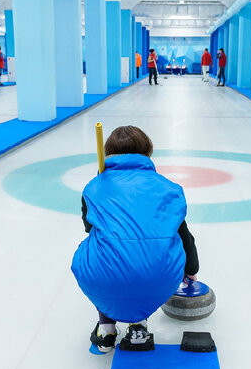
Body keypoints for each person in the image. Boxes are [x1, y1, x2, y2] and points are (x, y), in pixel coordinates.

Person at [72, 126, 200, 353]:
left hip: (103, 279)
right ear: (147, 153)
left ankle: (106, 329)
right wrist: (191, 269)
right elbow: (183, 234)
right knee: (148, 257)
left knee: (100, 251)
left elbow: (88, 227)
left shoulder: (93, 187)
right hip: (161, 278)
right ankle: (139, 327)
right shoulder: (170, 188)